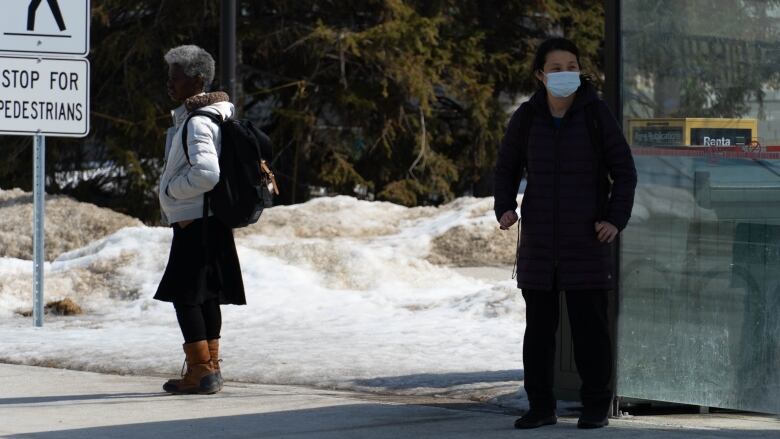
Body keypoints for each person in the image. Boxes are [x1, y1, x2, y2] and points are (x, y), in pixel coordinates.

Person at [494, 37, 637, 429]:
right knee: (538, 333)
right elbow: (506, 167)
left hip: (586, 241)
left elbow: (624, 172)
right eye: (556, 68)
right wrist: (504, 207)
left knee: (590, 330)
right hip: (540, 242)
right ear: (540, 75)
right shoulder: (526, 117)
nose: (565, 74)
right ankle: (540, 406)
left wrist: (614, 218)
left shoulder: (596, 115)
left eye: (571, 66)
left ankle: (595, 406)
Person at [154, 44, 246, 394]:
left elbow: (207, 174)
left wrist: (173, 190)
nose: (169, 84)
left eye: (174, 77)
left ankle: (200, 370)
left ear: (196, 80)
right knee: (205, 295)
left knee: (186, 296)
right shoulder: (218, 115)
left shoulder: (196, 122)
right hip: (212, 220)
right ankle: (211, 367)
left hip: (196, 221)